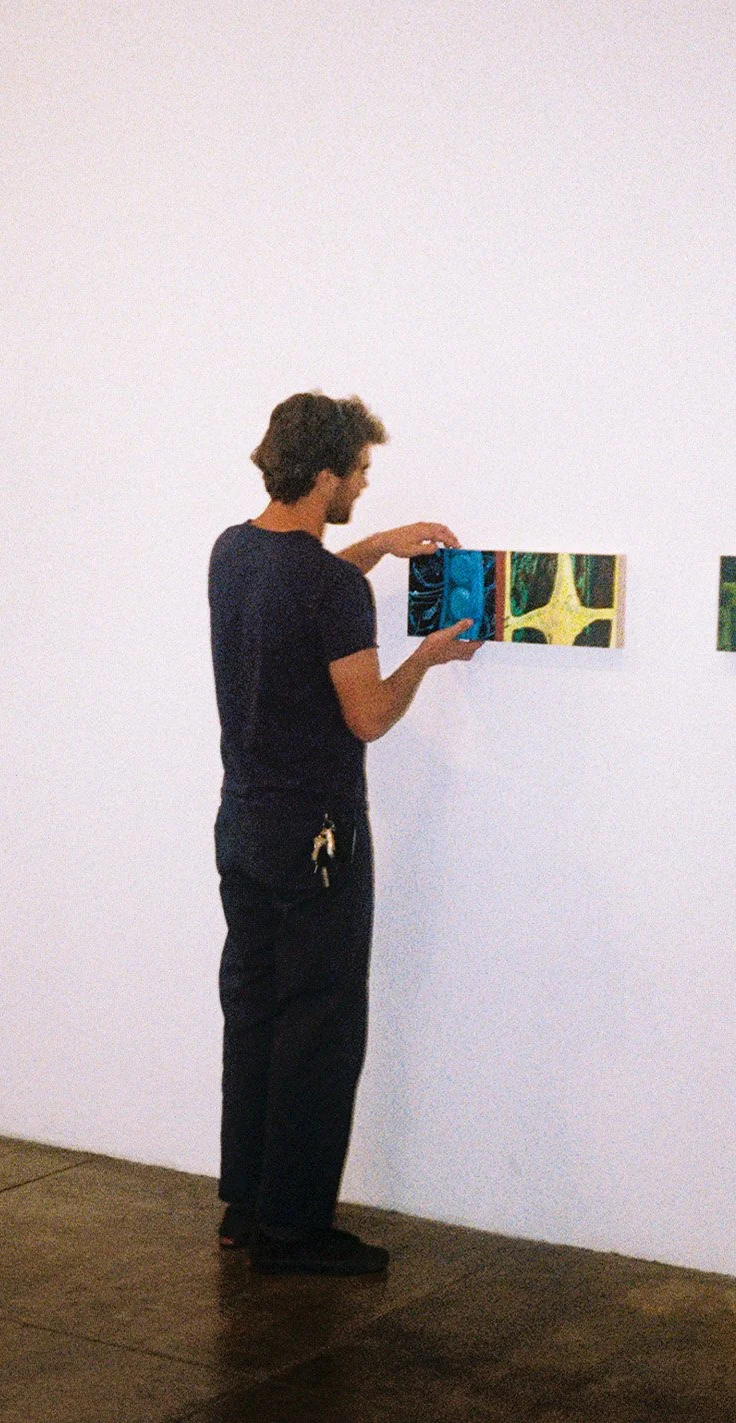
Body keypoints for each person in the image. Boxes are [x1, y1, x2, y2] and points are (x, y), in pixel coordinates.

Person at [207, 391, 480, 1275]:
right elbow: (366, 717)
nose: (364, 484)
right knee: (318, 1029)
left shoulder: (232, 551)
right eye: (359, 471)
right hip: (316, 837)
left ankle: (247, 1206)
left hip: (243, 823)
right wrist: (426, 658)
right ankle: (295, 1230)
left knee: (254, 1014)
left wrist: (378, 545)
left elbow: (301, 588)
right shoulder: (328, 586)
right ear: (324, 475)